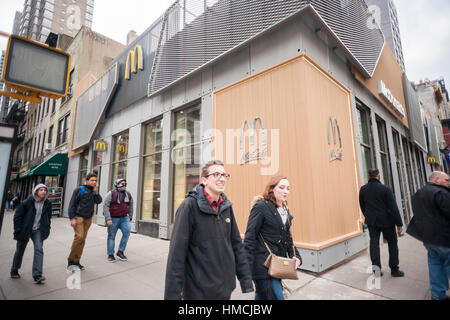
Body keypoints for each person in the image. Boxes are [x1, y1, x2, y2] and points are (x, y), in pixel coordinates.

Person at [164, 160, 254, 300]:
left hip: (225, 289)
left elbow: (236, 244)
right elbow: (176, 256)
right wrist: (172, 296)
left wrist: (246, 280)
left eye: (224, 175)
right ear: (204, 180)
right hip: (198, 291)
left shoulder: (226, 207)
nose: (222, 179)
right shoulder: (189, 207)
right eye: (216, 174)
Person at [244, 176, 302, 300]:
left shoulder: (285, 210)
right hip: (262, 266)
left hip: (277, 265)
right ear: (272, 189)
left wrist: (295, 255)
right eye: (281, 187)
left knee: (262, 296)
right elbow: (250, 237)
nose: (285, 191)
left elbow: (288, 237)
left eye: (288, 188)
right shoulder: (261, 207)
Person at [408, 171, 450, 300]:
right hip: (444, 238)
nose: (448, 183)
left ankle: (437, 295)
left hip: (428, 239)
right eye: (447, 180)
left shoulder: (418, 194)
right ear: (437, 180)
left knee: (435, 266)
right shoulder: (441, 193)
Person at [359, 168, 404, 277]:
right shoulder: (385, 189)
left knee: (374, 244)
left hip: (372, 221)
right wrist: (399, 223)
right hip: (387, 221)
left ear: (369, 176)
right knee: (392, 243)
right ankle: (394, 269)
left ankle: (376, 271)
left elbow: (362, 205)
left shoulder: (363, 189)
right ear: (378, 176)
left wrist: (368, 216)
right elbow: (393, 207)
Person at [11, 184, 52, 284]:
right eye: (41, 190)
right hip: (25, 230)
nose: (43, 192)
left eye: (45, 190)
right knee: (20, 250)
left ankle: (37, 275)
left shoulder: (47, 204)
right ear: (36, 191)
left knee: (39, 249)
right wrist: (18, 230)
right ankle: (14, 270)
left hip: (37, 230)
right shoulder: (27, 202)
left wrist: (47, 227)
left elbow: (48, 217)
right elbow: (17, 217)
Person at [67, 173, 102, 272]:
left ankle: (77, 261)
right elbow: (72, 204)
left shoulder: (93, 192)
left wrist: (95, 190)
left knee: (82, 240)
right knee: (79, 237)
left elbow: (99, 201)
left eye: (95, 180)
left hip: (88, 219)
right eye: (92, 180)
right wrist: (72, 218)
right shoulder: (79, 190)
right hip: (78, 217)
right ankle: (70, 261)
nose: (94, 182)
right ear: (86, 181)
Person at [103, 178, 133, 262]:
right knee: (111, 237)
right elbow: (105, 206)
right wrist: (108, 218)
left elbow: (131, 205)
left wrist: (130, 216)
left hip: (124, 218)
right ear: (116, 184)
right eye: (121, 183)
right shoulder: (111, 193)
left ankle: (120, 251)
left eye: (125, 183)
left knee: (126, 233)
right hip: (113, 218)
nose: (124, 185)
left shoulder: (128, 194)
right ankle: (110, 254)